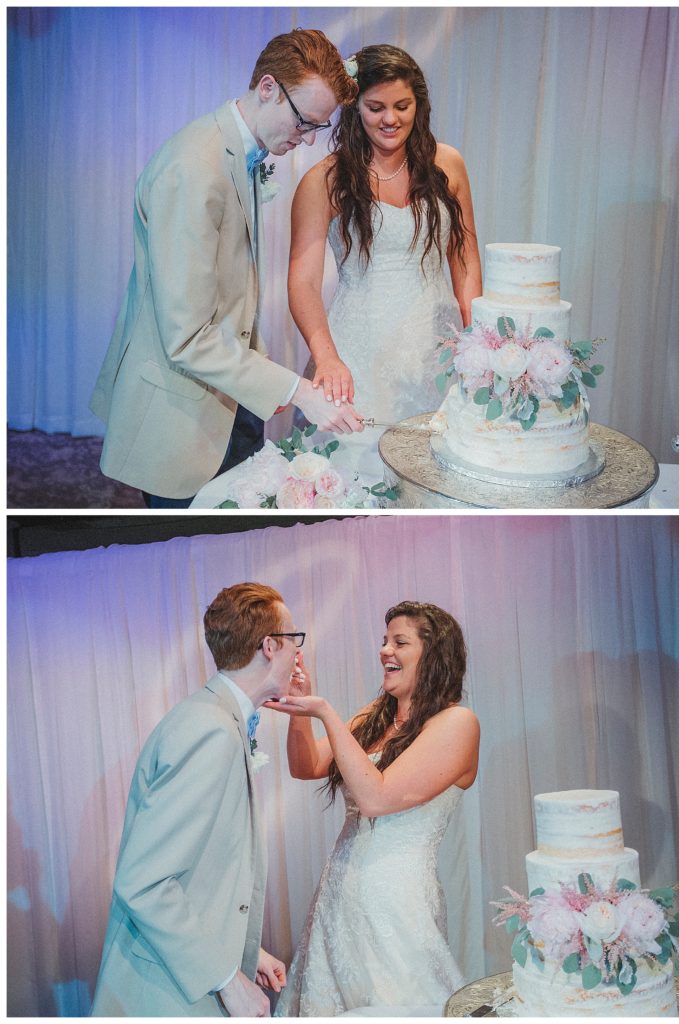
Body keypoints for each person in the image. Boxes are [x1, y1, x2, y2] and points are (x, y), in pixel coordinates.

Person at [90, 29, 365, 508]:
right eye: (304, 123)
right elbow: (188, 337)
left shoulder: (239, 150)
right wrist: (299, 391)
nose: (304, 141)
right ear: (267, 88)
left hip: (230, 399)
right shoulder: (194, 169)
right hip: (180, 418)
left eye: (316, 129)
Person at [90, 583, 305, 1016]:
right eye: (293, 640)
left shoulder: (216, 718)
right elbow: (144, 883)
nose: (298, 655)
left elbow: (201, 871)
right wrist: (227, 979)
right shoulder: (210, 729)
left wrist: (245, 954)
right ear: (269, 646)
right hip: (165, 993)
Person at [266, 601, 480, 1016]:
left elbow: (376, 798)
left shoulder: (457, 723)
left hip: (396, 901)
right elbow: (305, 765)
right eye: (384, 641)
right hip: (339, 893)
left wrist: (325, 711)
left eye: (399, 642)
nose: (385, 650)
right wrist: (300, 708)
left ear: (433, 655)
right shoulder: (373, 718)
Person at [287, 44, 482, 479]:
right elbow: (302, 283)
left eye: (402, 106)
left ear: (419, 105)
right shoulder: (324, 181)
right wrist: (327, 356)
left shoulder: (447, 164)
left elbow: (464, 256)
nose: (390, 119)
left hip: (438, 343)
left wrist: (477, 339)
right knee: (359, 474)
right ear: (354, 106)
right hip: (359, 347)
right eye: (375, 107)